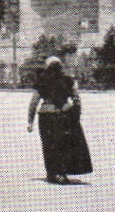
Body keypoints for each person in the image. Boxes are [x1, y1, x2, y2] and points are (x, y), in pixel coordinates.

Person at [26, 56, 92, 184]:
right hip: (64, 116)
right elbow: (77, 99)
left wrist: (30, 121)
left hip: (46, 117)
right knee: (63, 145)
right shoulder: (68, 81)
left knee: (49, 144)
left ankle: (52, 173)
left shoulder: (42, 81)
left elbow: (34, 102)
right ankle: (61, 173)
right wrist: (75, 116)